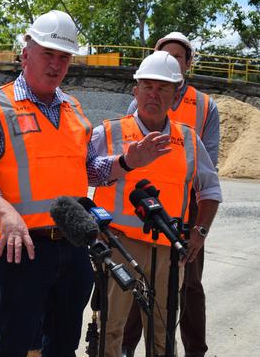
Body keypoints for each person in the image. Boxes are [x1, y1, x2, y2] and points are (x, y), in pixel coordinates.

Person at [0, 10, 171, 357]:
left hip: (74, 248)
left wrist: (127, 162)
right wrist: (5, 213)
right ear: (26, 53)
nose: (56, 64)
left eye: (64, 57)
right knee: (12, 344)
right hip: (21, 248)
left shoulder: (74, 109)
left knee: (62, 345)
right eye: (48, 54)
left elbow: (89, 170)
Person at [91, 51, 222, 357]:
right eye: (147, 86)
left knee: (162, 330)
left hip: (167, 249)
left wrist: (199, 233)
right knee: (111, 328)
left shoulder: (189, 140)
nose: (154, 94)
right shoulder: (109, 132)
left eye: (163, 88)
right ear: (135, 91)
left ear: (176, 96)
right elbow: (81, 175)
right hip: (118, 246)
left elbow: (211, 189)